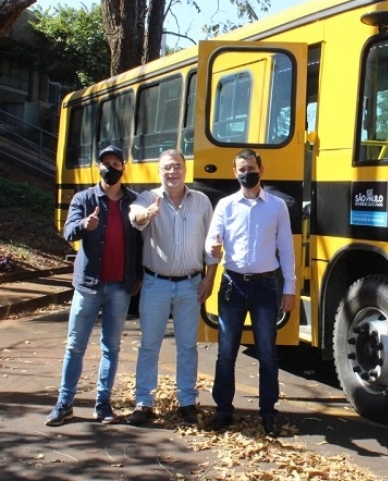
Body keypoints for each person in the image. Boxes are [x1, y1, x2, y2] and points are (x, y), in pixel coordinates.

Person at [46, 145, 143, 426]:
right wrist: (83, 226)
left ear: (124, 167)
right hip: (88, 284)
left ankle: (103, 404)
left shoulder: (132, 202)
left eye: (115, 163)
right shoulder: (84, 198)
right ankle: (64, 404)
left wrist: (136, 276)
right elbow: (67, 230)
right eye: (105, 163)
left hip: (119, 287)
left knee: (111, 347)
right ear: (97, 167)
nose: (110, 168)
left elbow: (139, 243)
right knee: (75, 346)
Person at [205, 148, 296, 436]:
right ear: (234, 172)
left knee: (267, 353)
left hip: (266, 287)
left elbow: (286, 249)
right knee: (226, 352)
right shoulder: (225, 205)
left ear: (262, 169)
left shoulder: (277, 206)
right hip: (232, 284)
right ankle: (223, 410)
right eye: (242, 169)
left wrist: (290, 288)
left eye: (251, 168)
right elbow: (212, 242)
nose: (247, 173)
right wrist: (212, 249)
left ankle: (268, 412)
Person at [126, 149, 218, 426]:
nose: (172, 172)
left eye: (177, 167)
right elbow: (135, 217)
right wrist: (147, 215)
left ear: (185, 170)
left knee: (187, 347)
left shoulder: (201, 202)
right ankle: (144, 402)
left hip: (191, 285)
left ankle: (187, 401)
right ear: (159, 171)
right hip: (155, 284)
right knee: (149, 346)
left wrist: (210, 277)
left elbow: (212, 245)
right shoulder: (147, 199)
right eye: (167, 167)